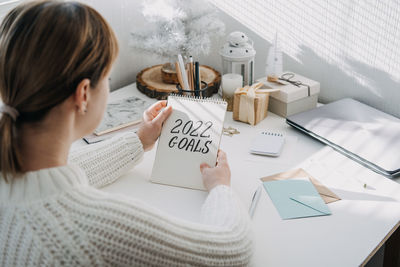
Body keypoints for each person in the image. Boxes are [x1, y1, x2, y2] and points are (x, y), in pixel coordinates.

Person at [0, 1, 252, 266]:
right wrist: (220, 188)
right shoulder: (92, 231)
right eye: (107, 80)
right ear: (83, 94)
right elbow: (231, 249)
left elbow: (56, 179)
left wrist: (139, 140)